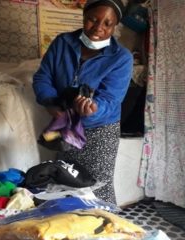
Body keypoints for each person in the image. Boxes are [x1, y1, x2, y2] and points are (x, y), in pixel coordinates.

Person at [32, 0, 133, 204]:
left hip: (100, 130)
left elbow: (111, 99)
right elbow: (43, 77)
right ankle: (70, 227)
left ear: (115, 26)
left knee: (97, 186)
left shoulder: (121, 58)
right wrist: (53, 106)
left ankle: (106, 230)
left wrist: (93, 109)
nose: (98, 29)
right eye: (92, 20)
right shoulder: (63, 43)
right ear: (84, 17)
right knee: (65, 179)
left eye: (107, 24)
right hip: (65, 125)